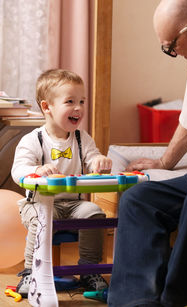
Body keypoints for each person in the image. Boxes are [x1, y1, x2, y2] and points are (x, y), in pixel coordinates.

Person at [108, 0, 187, 306]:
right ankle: (134, 302)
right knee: (138, 200)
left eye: (170, 47)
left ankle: (173, 298)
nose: (174, 55)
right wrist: (163, 162)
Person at [11, 69, 112, 297]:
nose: (79, 107)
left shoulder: (81, 138)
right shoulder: (33, 139)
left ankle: (89, 269)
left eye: (81, 101)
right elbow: (18, 171)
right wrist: (38, 170)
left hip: (73, 205)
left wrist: (99, 160)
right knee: (41, 216)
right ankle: (30, 271)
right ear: (47, 107)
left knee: (95, 212)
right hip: (39, 204)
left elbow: (92, 157)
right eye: (70, 101)